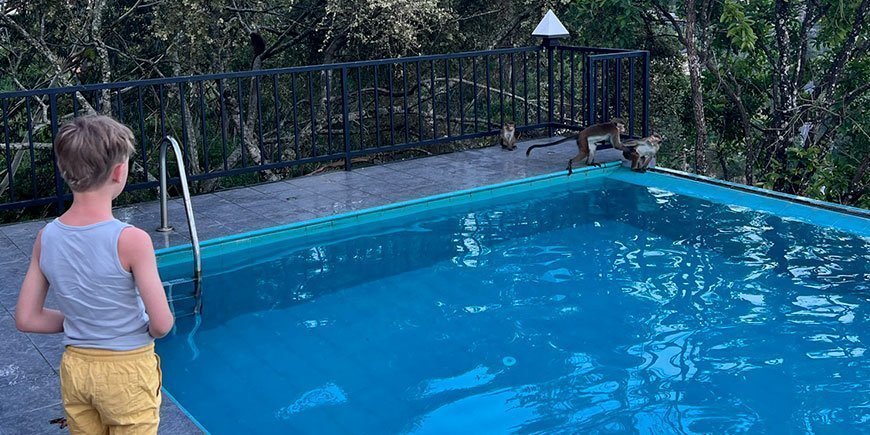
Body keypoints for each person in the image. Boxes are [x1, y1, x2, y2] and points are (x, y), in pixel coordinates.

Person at [15, 115, 174, 434]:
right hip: (126, 372)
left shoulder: (46, 238)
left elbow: (27, 318)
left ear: (65, 170)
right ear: (119, 171)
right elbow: (161, 323)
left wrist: (82, 319)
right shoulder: (132, 240)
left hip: (77, 371)